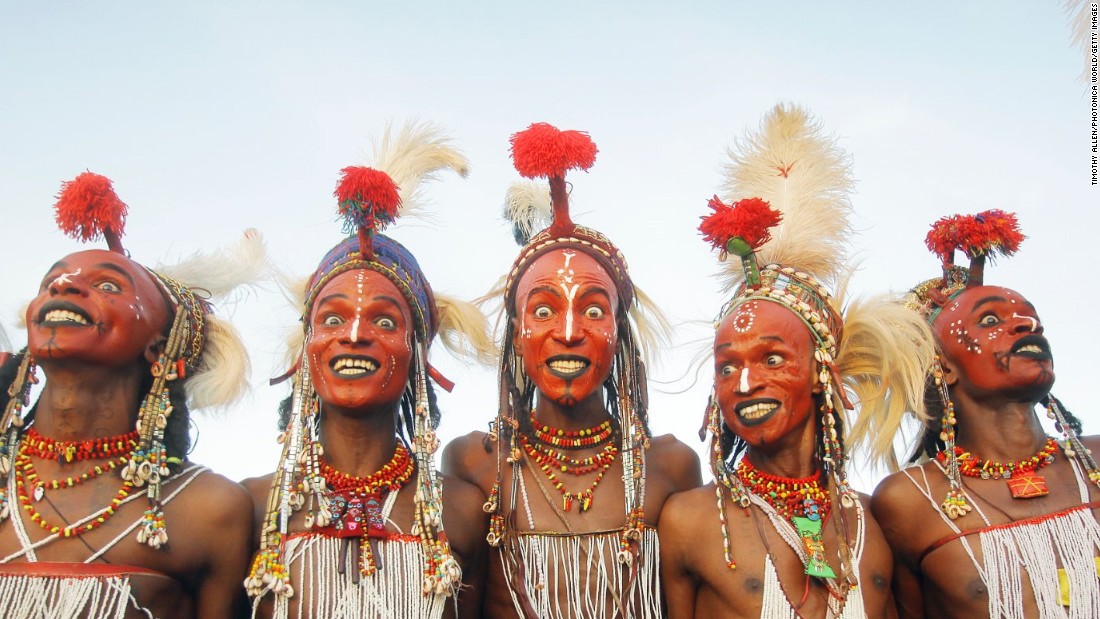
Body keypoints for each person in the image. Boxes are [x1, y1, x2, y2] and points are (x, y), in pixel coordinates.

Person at [659, 104, 934, 618]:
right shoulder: (690, 521)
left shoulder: (872, 523)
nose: (744, 383)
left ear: (819, 370)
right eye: (726, 366)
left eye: (771, 358)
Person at [443, 122, 701, 618]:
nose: (567, 331)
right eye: (542, 311)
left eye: (593, 309)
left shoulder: (670, 467)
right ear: (517, 336)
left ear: (619, 334)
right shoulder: (475, 465)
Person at [243, 123, 494, 619]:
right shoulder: (249, 507)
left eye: (384, 320)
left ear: (417, 354)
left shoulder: (462, 512)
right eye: (331, 318)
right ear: (306, 350)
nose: (354, 335)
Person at [0, 172, 263, 617]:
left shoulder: (211, 510)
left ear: (159, 348)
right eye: (53, 282)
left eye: (107, 286)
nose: (64, 287)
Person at [871, 210, 1100, 618]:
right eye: (991, 320)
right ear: (942, 368)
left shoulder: (1094, 461)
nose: (1026, 324)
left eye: (1031, 317)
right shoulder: (908, 502)